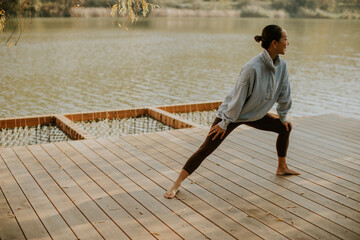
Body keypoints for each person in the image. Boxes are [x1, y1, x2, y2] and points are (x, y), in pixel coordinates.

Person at [164, 24, 300, 199]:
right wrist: (224, 123)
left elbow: (284, 93)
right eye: (285, 39)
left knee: (285, 127)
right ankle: (176, 184)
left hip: (255, 114)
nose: (288, 43)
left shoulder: (282, 66)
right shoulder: (252, 67)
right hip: (232, 115)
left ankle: (282, 168)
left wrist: (283, 116)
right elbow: (238, 98)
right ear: (274, 43)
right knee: (206, 148)